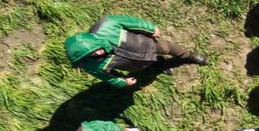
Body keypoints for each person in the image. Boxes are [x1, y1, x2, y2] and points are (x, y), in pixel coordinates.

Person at [65, 15, 207, 88]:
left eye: (96, 49)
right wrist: (123, 82)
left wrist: (150, 29)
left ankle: (189, 55)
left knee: (168, 48)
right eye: (92, 54)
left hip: (148, 44)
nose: (98, 53)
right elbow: (108, 77)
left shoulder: (107, 25)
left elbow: (131, 22)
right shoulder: (91, 65)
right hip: (134, 64)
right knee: (149, 64)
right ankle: (160, 64)